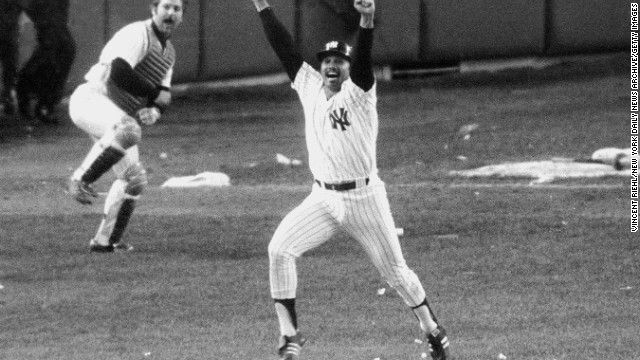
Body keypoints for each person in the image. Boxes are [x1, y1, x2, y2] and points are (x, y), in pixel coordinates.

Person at [251, 0, 452, 359]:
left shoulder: (359, 93)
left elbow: (363, 59)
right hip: (323, 199)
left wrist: (367, 20)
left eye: (338, 61)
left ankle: (432, 330)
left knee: (397, 274)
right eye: (326, 60)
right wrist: (262, 5)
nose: (331, 65)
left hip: (365, 199)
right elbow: (283, 46)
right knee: (279, 249)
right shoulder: (309, 86)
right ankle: (289, 336)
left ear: (347, 68)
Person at [67, 0, 185, 252]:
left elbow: (163, 94)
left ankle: (105, 241)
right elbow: (119, 71)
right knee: (129, 130)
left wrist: (154, 110)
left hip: (114, 114)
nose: (171, 13)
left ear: (182, 16)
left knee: (135, 179)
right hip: (90, 98)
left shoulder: (169, 52)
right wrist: (154, 94)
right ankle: (80, 180)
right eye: (166, 7)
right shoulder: (137, 33)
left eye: (177, 9)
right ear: (153, 10)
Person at [16, 0, 76, 124]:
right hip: (48, 18)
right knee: (53, 52)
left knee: (63, 50)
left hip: (54, 17)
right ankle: (39, 100)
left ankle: (42, 101)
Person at [0, 0, 21, 116]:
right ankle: (8, 98)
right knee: (10, 64)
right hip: (9, 28)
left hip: (8, 29)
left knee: (10, 64)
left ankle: (8, 97)